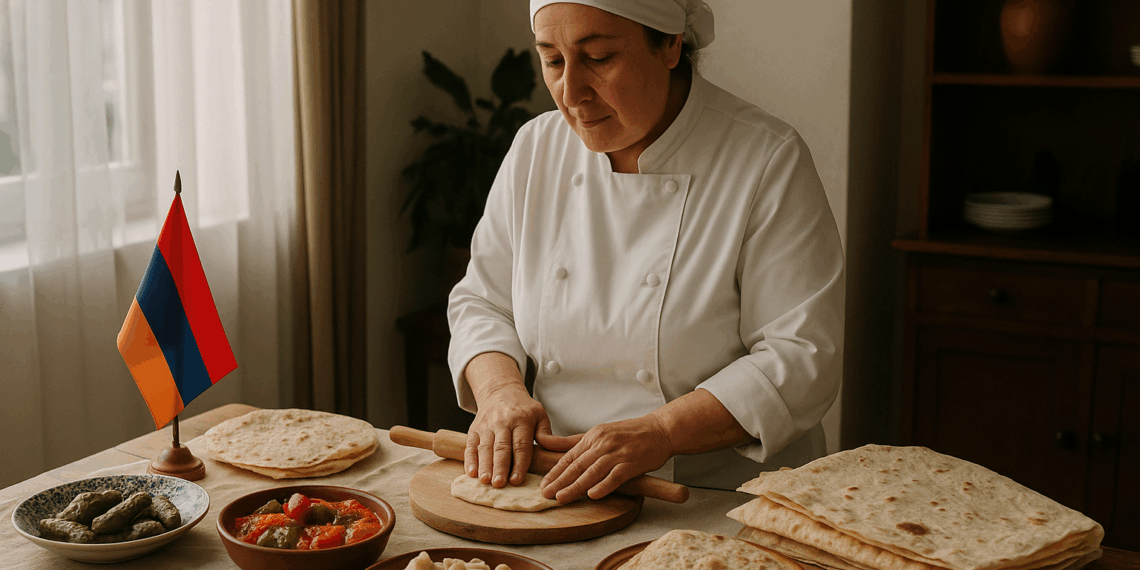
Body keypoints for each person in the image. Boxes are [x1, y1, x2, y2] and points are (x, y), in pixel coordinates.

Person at [446, 0, 845, 503]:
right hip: (557, 487)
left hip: (721, 499)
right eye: (552, 60)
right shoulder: (536, 148)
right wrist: (501, 394)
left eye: (598, 58)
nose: (571, 93)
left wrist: (661, 432)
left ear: (671, 44)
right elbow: (482, 300)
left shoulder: (766, 158)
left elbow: (801, 355)